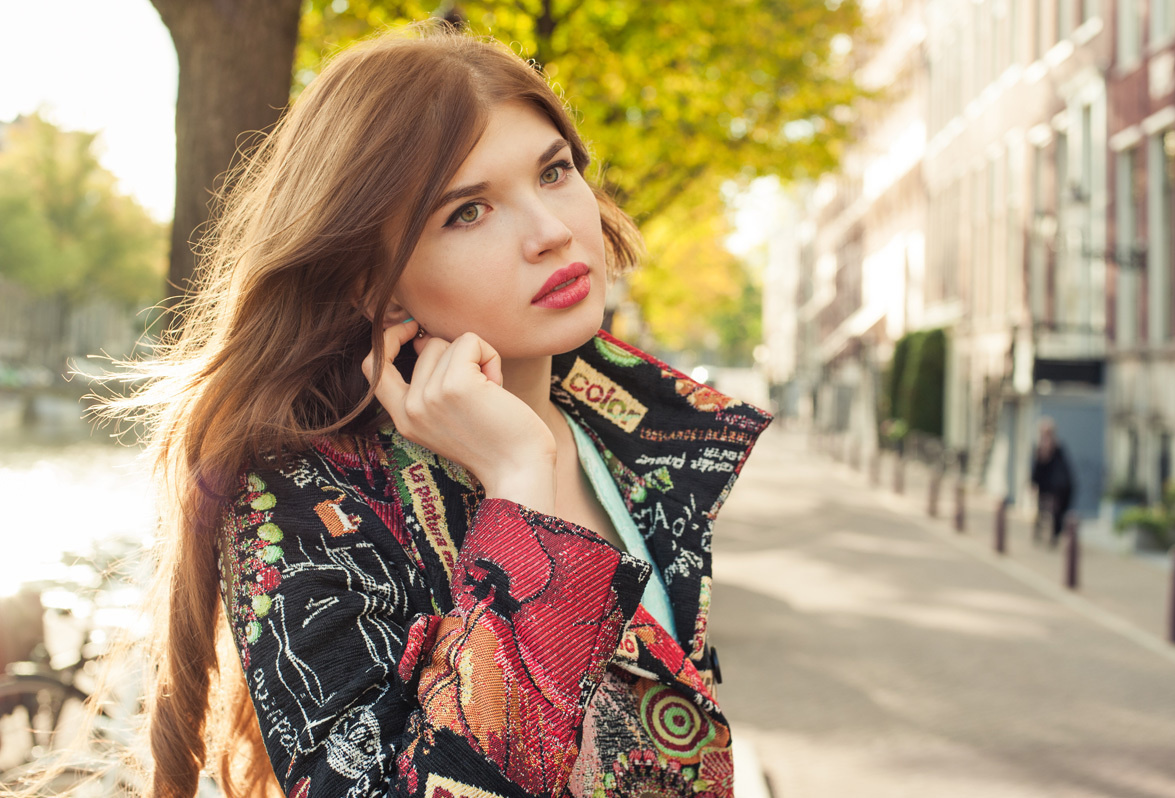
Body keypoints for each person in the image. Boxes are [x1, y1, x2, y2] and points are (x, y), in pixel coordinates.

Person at [109, 22, 770, 798]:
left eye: (554, 172)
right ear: (370, 280)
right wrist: (520, 488)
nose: (553, 232)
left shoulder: (633, 430)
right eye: (468, 212)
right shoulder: (304, 501)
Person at [1031, 418, 1074, 546]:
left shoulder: (1058, 448)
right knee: (1041, 511)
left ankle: (1054, 535)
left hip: (1056, 488)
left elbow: (1064, 469)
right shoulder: (1039, 449)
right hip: (1044, 487)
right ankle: (1039, 533)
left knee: (1055, 512)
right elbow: (1036, 468)